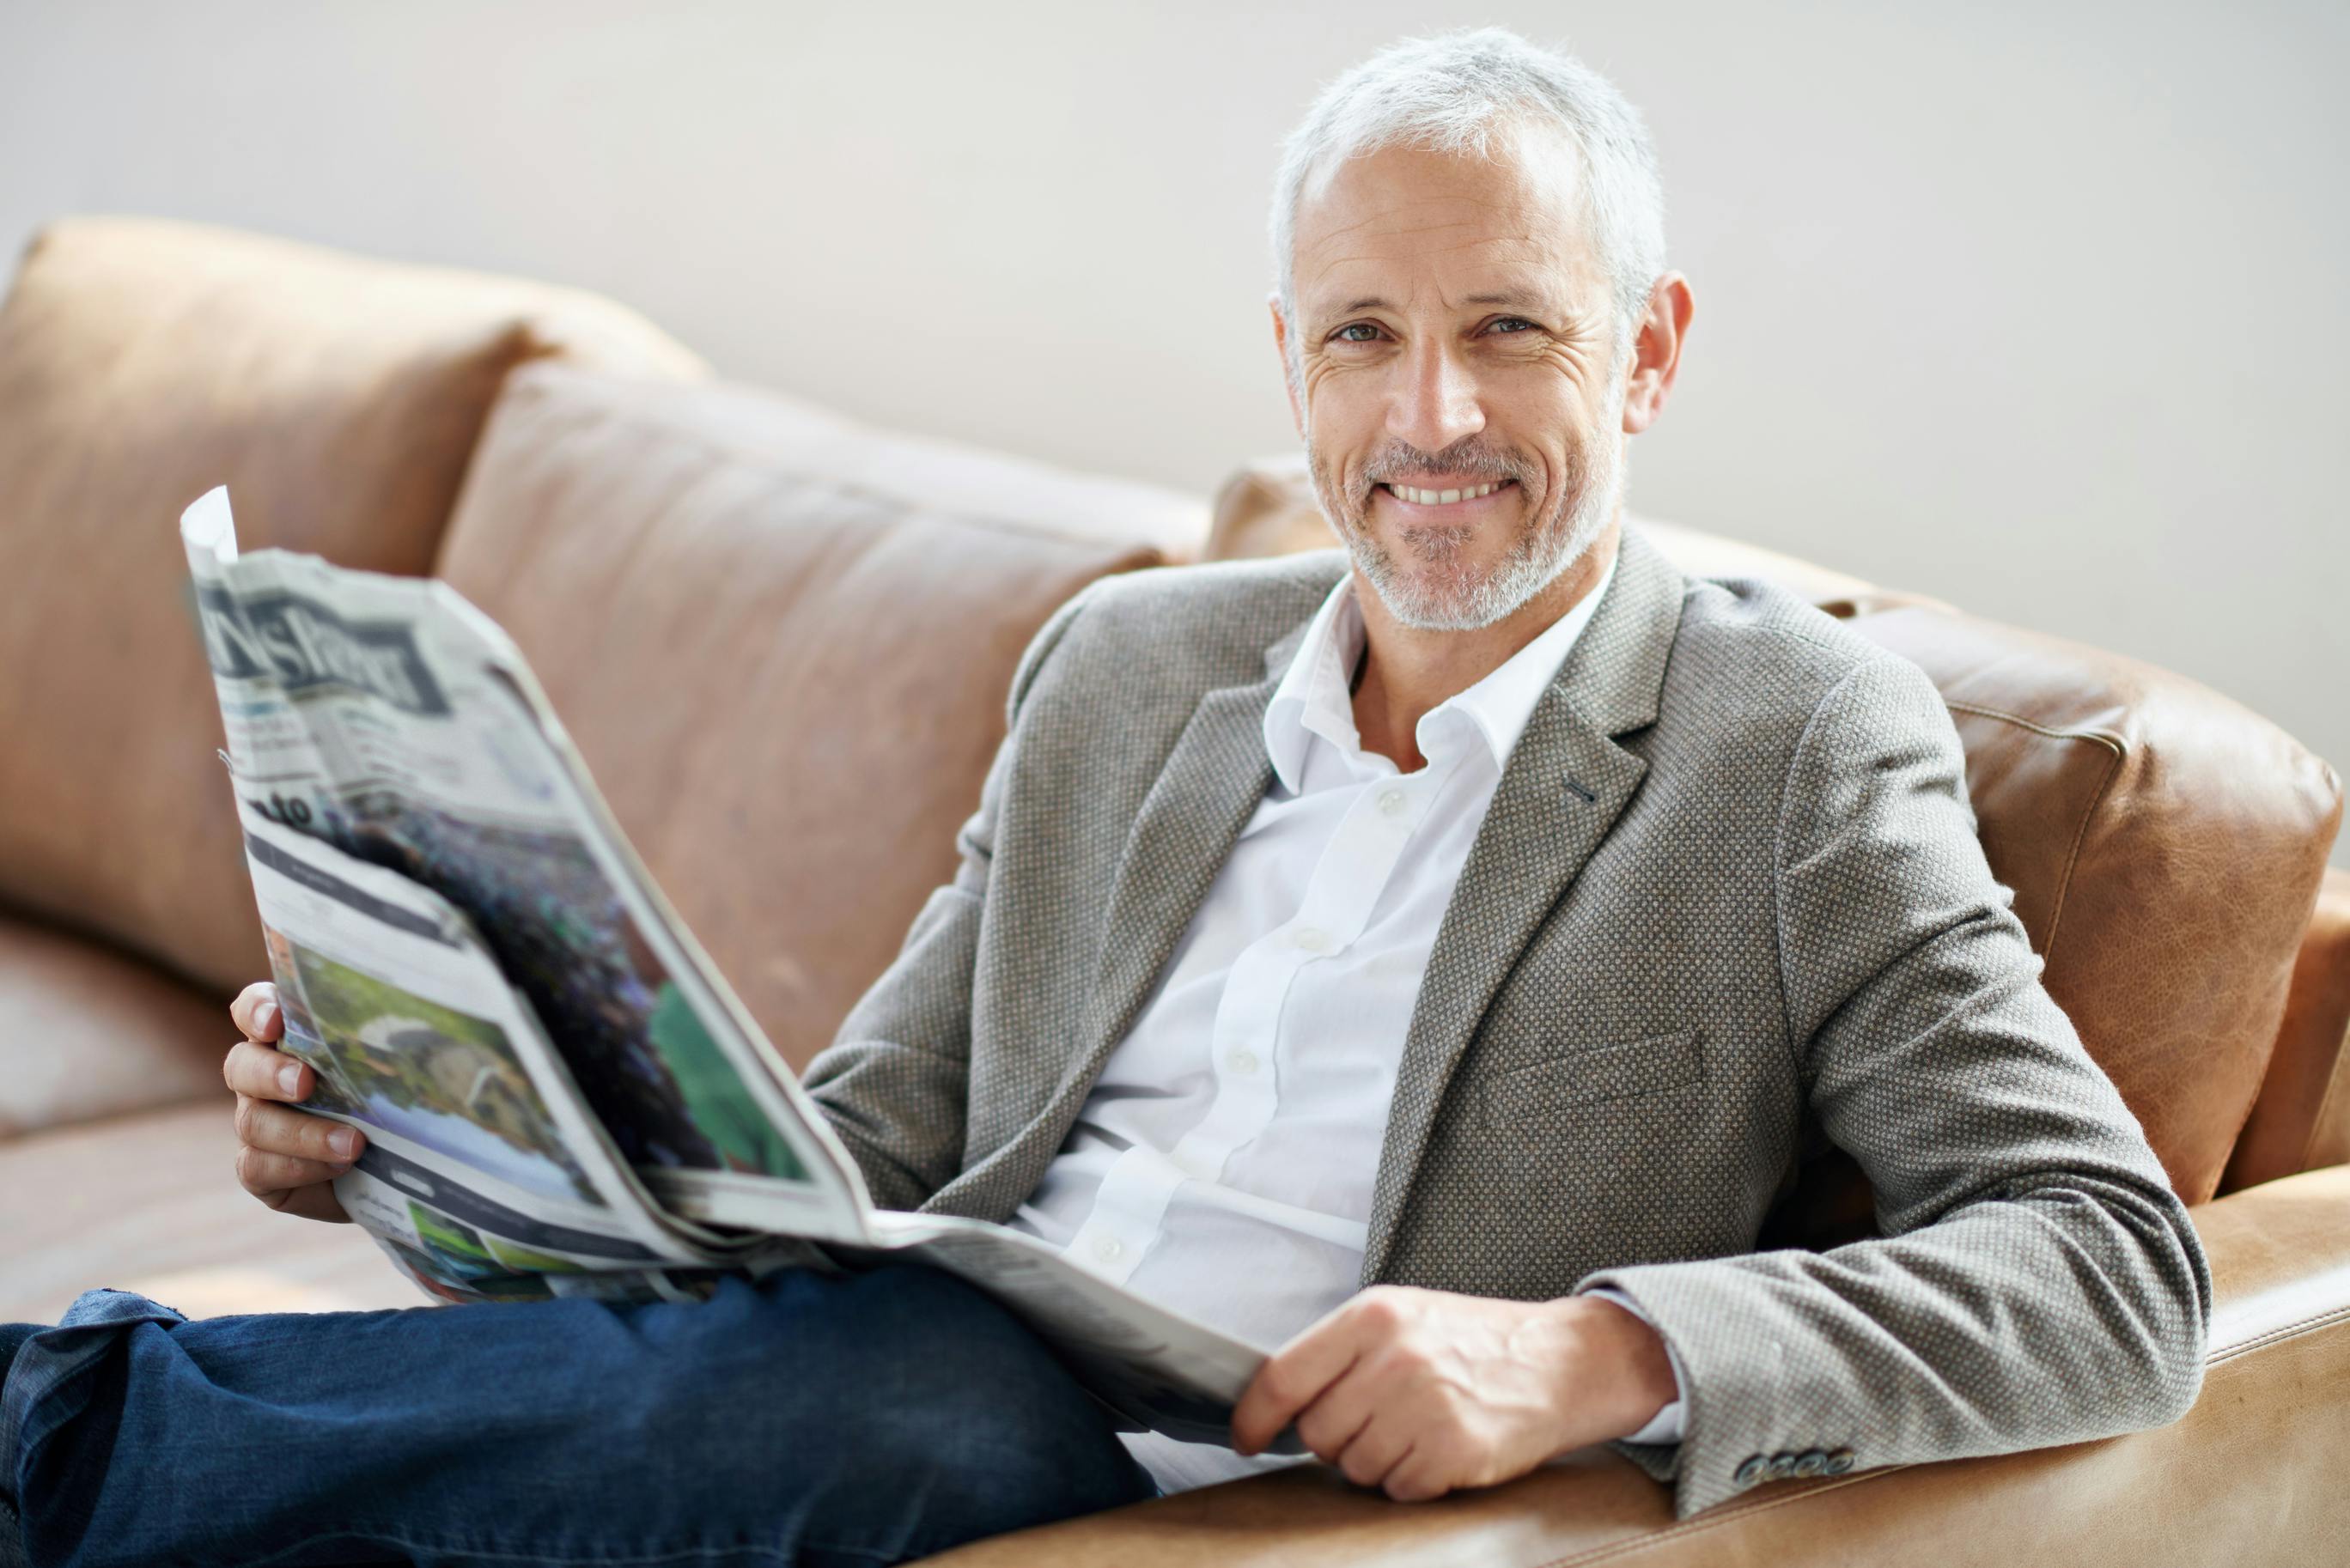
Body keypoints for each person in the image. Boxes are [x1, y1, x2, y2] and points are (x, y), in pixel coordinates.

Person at [0, 26, 2209, 1568]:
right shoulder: (1128, 667)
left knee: (919, 1394)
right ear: (1285, 357)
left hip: (1161, 1457)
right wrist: (440, 1132)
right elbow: (861, 1145)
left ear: (1646, 350)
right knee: (876, 1362)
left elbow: (2116, 1268)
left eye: (1510, 331)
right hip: (887, 1356)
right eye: (1360, 336)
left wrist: (1600, 1347)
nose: (1429, 415)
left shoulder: (1796, 743)